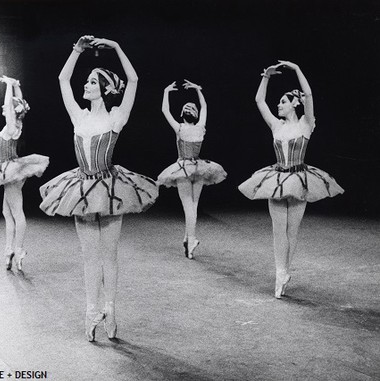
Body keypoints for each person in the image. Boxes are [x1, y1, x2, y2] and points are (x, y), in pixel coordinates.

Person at [39, 35, 158, 341]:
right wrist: (77, 50)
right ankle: (91, 311)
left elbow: (133, 79)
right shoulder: (78, 115)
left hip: (110, 189)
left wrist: (117, 47)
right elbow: (63, 78)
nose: (86, 85)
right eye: (87, 81)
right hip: (81, 189)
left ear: (104, 88)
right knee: (89, 257)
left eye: (92, 82)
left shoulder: (116, 116)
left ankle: (111, 310)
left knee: (110, 256)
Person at [238, 60, 344, 298]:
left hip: (299, 181)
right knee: (278, 230)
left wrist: (296, 69)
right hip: (276, 180)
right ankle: (279, 274)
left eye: (283, 102)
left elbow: (308, 93)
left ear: (294, 105)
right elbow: (259, 101)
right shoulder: (276, 125)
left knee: (292, 231)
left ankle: (286, 271)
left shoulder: (307, 124)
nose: (278, 105)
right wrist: (265, 77)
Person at [0, 76, 49, 271]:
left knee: (16, 213)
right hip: (9, 170)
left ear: (12, 112)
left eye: (7, 108)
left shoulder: (11, 127)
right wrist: (17, 86)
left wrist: (9, 85)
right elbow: (19, 105)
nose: (3, 108)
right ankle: (9, 250)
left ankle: (18, 249)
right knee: (7, 213)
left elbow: (9, 105)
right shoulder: (14, 126)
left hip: (11, 170)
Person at [157, 80, 227, 259]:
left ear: (183, 115)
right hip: (198, 168)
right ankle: (188, 237)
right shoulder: (200, 128)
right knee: (193, 205)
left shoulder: (180, 128)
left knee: (189, 206)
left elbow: (165, 111)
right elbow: (204, 106)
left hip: (183, 168)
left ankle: (192, 238)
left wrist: (166, 91)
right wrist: (198, 90)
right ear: (195, 116)